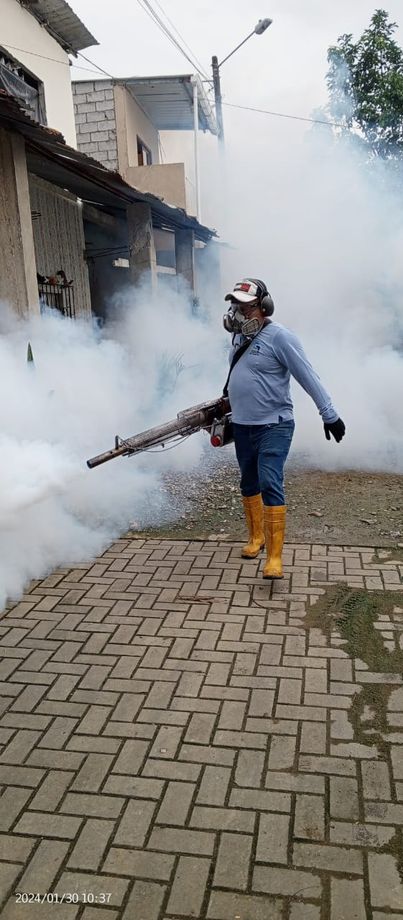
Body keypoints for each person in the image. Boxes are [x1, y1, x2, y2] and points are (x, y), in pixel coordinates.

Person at [223, 278, 345, 579]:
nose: (239, 313)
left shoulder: (281, 337)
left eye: (247, 307)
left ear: (264, 306)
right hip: (242, 425)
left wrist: (329, 414)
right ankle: (256, 538)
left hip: (274, 425)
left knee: (269, 481)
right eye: (236, 306)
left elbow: (308, 375)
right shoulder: (238, 337)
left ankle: (274, 558)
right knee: (248, 482)